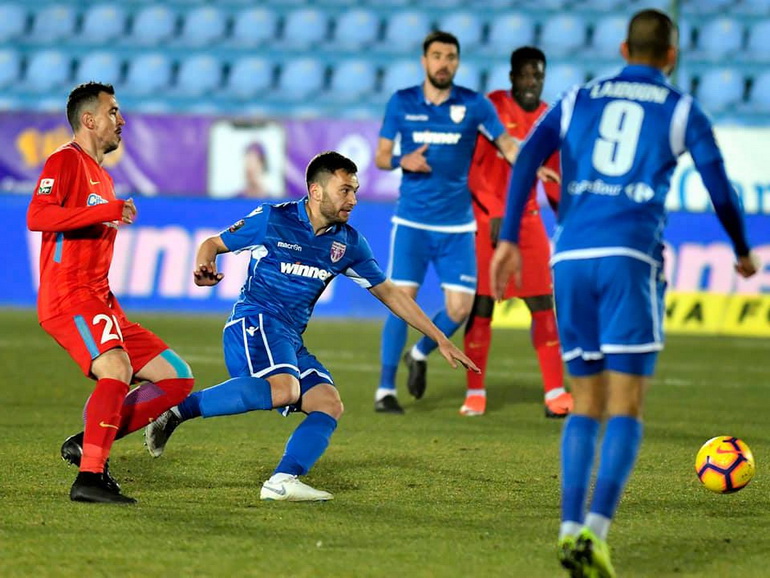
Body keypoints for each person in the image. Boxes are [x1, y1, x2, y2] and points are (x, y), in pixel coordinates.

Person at [490, 10, 758, 577]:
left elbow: (528, 160)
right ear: (671, 55)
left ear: (622, 47)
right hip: (628, 258)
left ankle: (567, 528)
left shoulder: (578, 96)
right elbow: (720, 189)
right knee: (626, 406)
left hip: (570, 258)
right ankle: (596, 533)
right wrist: (740, 247)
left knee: (584, 403)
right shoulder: (681, 109)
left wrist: (509, 236)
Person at [144, 151, 479, 501]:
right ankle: (177, 410)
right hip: (254, 321)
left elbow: (391, 294)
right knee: (286, 389)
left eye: (355, 190)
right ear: (316, 191)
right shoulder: (273, 218)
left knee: (328, 403)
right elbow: (212, 244)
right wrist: (203, 268)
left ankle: (282, 481)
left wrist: (439, 337)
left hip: (289, 336)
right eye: (344, 190)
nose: (353, 198)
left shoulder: (348, 243)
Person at [26, 82, 195, 504]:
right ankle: (90, 478)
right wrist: (108, 210)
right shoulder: (64, 161)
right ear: (89, 120)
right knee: (116, 368)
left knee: (175, 376)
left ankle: (90, 441)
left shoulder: (102, 175)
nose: (122, 120)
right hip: (68, 296)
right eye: (114, 112)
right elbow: (38, 215)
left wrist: (111, 302)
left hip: (99, 299)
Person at [373, 31, 547, 414]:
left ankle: (419, 353)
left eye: (450, 56)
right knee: (401, 302)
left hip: (457, 226)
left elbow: (506, 145)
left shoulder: (474, 104)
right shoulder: (402, 102)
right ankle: (385, 390)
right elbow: (381, 157)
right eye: (436, 55)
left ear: (457, 62)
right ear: (424, 60)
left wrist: (536, 165)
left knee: (459, 309)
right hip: (413, 223)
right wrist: (403, 159)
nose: (443, 63)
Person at [462, 46, 572, 418]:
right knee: (482, 307)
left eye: (537, 76)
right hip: (488, 218)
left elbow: (555, 176)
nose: (531, 82)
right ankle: (475, 391)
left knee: (543, 304)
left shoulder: (548, 118)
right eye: (524, 75)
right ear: (512, 77)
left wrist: (567, 216)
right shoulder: (492, 108)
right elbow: (474, 171)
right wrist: (493, 210)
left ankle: (555, 392)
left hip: (527, 219)